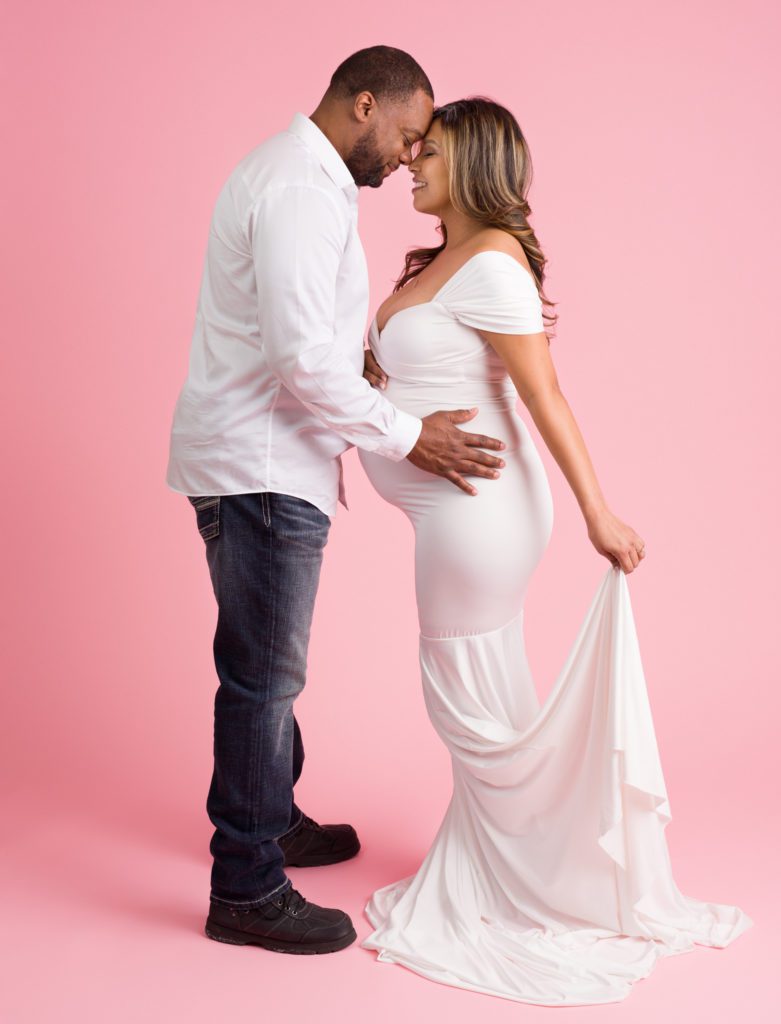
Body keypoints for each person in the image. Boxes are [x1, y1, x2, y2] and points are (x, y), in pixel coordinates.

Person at [357, 98, 753, 1005]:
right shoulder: (444, 259)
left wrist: (597, 514)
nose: (412, 160)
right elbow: (409, 368)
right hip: (448, 510)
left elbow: (546, 400)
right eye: (414, 147)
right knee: (480, 703)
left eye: (431, 149)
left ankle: (541, 884)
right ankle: (507, 867)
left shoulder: (492, 261)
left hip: (481, 509)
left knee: (467, 703)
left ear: (478, 162)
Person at [165, 48, 511, 955]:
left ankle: (271, 819)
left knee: (267, 667)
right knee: (263, 677)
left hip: (268, 459)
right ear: (363, 105)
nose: (405, 157)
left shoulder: (308, 181)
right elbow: (298, 359)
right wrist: (408, 431)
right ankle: (245, 882)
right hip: (261, 466)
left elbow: (309, 340)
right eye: (402, 135)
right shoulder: (299, 186)